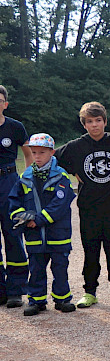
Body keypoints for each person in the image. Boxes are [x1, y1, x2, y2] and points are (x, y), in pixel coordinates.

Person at [56, 102, 110, 308]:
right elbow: (55, 157)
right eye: (90, 122)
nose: (95, 125)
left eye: (98, 121)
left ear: (105, 121)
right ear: (84, 124)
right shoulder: (77, 145)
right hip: (88, 206)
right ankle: (89, 291)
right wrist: (73, 170)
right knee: (90, 249)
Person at [9, 134, 75, 316]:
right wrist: (21, 217)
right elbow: (14, 201)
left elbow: (60, 205)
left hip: (58, 234)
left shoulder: (60, 175)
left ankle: (62, 299)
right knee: (36, 269)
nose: (37, 156)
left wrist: (37, 219)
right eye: (34, 152)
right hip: (34, 236)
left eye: (42, 152)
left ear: (52, 152)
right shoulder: (25, 177)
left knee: (60, 268)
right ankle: (36, 301)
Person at [0, 85, 33, 307]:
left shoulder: (15, 127)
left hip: (9, 181)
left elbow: (29, 154)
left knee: (13, 234)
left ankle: (15, 289)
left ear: (5, 104)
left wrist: (27, 181)